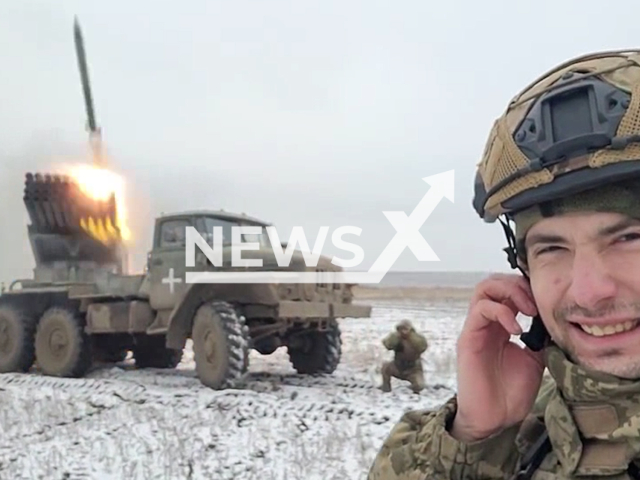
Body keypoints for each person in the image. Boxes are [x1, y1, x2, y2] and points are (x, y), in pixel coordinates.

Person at [367, 49, 640, 479]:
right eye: (552, 248)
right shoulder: (530, 423)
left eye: (629, 238)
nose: (589, 291)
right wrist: (474, 439)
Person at [380, 319, 428, 393]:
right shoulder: (396, 338)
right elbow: (387, 345)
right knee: (385, 367)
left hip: (413, 370)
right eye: (401, 329)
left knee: (419, 386)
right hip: (397, 367)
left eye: (406, 329)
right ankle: (386, 389)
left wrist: (411, 339)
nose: (403, 331)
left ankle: (414, 391)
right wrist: (395, 337)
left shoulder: (417, 339)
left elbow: (422, 347)